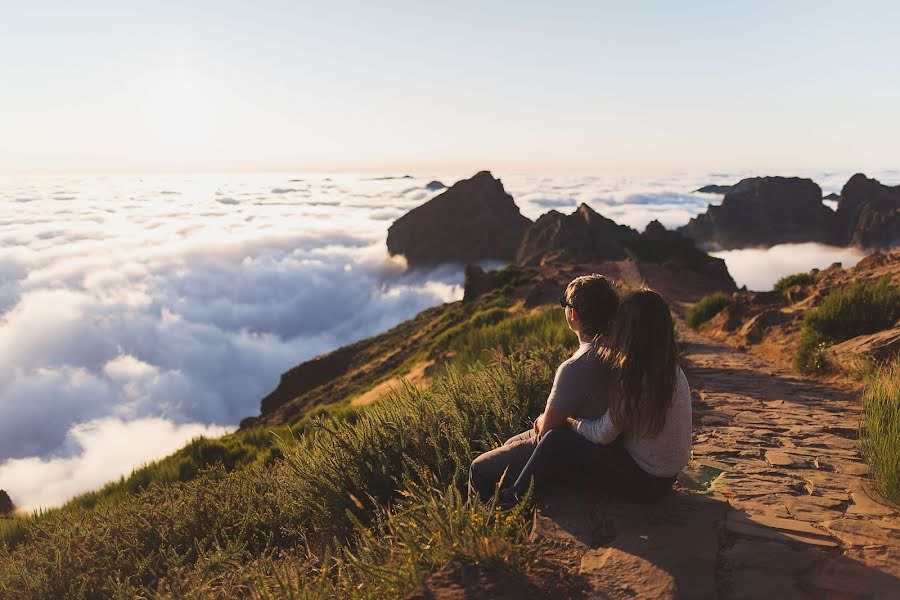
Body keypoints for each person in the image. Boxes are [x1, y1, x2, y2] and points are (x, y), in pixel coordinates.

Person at [498, 289, 691, 505]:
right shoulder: (670, 368)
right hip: (666, 475)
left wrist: (571, 421)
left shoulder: (636, 376)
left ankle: (510, 500)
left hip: (646, 482)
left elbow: (602, 435)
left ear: (630, 329)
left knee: (556, 440)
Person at [468, 274, 620, 502]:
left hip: (573, 449)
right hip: (599, 448)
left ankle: (483, 525)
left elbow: (547, 430)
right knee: (510, 444)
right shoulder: (621, 351)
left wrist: (540, 420)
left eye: (564, 304)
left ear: (573, 314)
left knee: (479, 468)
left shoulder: (575, 367)